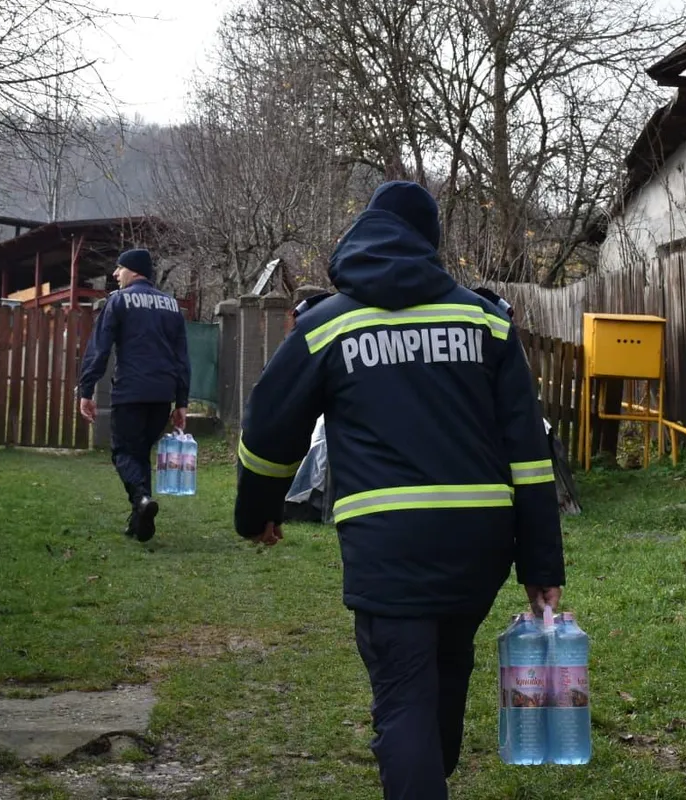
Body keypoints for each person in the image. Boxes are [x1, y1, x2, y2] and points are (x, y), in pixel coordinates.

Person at [234, 181, 566, 800]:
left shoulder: (328, 326)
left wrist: (256, 511)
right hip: (479, 543)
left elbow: (269, 428)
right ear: (429, 245)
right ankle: (423, 773)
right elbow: (530, 453)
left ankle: (415, 775)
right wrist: (541, 561)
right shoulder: (486, 322)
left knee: (404, 694)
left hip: (387, 546)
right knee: (443, 673)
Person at [78, 248, 190, 542]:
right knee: (139, 454)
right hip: (162, 394)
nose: (116, 274)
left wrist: (86, 389)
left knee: (123, 452)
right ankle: (139, 520)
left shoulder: (118, 301)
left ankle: (141, 500)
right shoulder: (172, 305)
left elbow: (99, 349)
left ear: (134, 270)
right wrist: (182, 402)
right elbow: (182, 357)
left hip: (131, 392)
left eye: (119, 268)